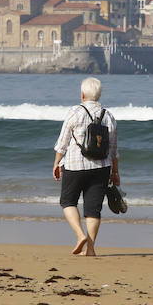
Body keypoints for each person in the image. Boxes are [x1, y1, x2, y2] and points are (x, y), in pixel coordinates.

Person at [53, 77, 119, 257]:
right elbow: (113, 149)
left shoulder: (75, 112)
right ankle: (90, 249)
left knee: (67, 201)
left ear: (82, 94)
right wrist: (115, 172)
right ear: (99, 95)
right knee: (93, 209)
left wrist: (57, 162)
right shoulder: (108, 115)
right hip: (101, 167)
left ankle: (80, 235)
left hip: (75, 165)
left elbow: (63, 142)